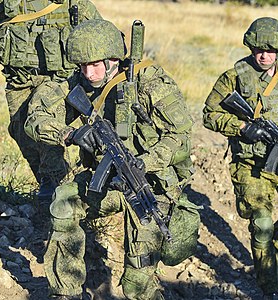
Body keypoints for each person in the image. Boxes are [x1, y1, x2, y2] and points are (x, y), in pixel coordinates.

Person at [24, 19, 198, 299]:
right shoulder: (75, 81)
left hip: (147, 185)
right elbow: (35, 119)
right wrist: (70, 133)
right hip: (104, 181)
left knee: (137, 283)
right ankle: (65, 291)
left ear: (114, 59)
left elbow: (179, 133)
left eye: (95, 65)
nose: (89, 73)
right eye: (82, 65)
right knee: (64, 204)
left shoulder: (149, 81)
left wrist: (146, 161)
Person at [202, 17, 278, 299]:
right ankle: (269, 287)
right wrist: (242, 127)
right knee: (262, 223)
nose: (264, 55)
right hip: (251, 165)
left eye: (270, 50)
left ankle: (276, 249)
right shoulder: (233, 77)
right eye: (258, 48)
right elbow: (209, 114)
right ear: (250, 46)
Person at [0, 0, 102, 201]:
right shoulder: (7, 2)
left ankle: (61, 193)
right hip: (20, 80)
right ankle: (49, 180)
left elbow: (100, 32)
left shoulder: (73, 3)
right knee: (20, 130)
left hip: (59, 80)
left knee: (43, 127)